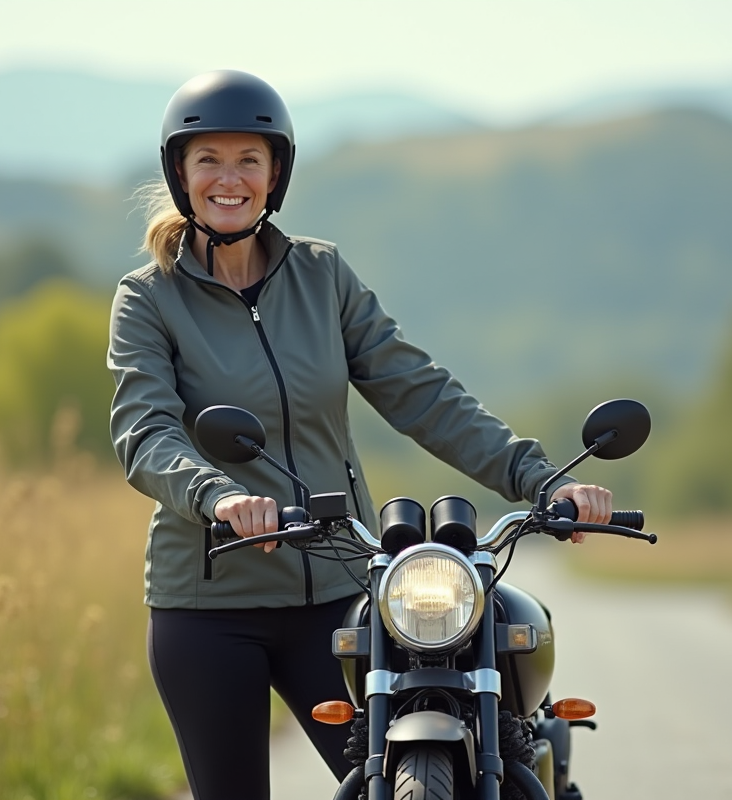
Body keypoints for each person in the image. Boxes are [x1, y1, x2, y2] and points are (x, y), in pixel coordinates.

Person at [107, 69, 614, 800]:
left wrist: (543, 479)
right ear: (179, 174)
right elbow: (145, 431)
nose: (229, 178)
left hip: (339, 593)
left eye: (248, 159)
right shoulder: (148, 300)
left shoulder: (322, 275)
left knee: (440, 763)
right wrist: (219, 498)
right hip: (208, 607)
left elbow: (422, 394)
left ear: (274, 172)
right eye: (208, 160)